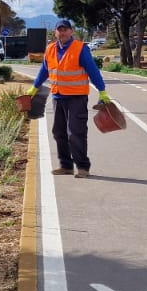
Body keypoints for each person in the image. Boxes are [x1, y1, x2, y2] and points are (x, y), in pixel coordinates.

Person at [29, 20, 109, 178]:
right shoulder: (51, 49)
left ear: (71, 31)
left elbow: (93, 70)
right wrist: (35, 87)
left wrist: (102, 91)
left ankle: (83, 167)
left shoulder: (80, 48)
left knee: (75, 132)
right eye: (60, 30)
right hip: (58, 97)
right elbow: (45, 70)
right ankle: (66, 166)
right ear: (55, 33)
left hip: (77, 98)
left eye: (65, 30)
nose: (63, 33)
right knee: (59, 132)